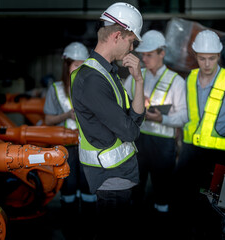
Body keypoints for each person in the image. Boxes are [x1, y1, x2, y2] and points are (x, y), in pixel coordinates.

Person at [70, 2, 145, 239]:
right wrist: (132, 123)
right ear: (116, 36)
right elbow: (131, 131)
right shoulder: (92, 79)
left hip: (119, 176)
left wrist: (139, 81)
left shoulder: (107, 73)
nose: (131, 48)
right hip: (111, 179)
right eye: (131, 41)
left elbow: (134, 118)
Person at [172, 30, 225, 239]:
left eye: (211, 58)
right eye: (202, 58)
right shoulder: (189, 79)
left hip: (220, 155)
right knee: (184, 202)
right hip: (190, 152)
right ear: (196, 56)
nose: (207, 64)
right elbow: (184, 114)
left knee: (217, 209)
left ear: (218, 56)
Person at [124, 30, 187, 215]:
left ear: (162, 53)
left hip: (163, 145)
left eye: (149, 54)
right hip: (138, 142)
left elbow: (184, 116)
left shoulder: (176, 81)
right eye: (143, 54)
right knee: (134, 189)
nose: (144, 59)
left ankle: (161, 227)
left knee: (162, 192)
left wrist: (162, 118)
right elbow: (121, 101)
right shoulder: (135, 75)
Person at [43, 42, 96, 239]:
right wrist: (67, 115)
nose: (79, 69)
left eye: (83, 65)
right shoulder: (55, 90)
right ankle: (70, 230)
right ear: (67, 65)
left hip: (88, 146)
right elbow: (48, 119)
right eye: (76, 65)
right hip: (65, 149)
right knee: (68, 188)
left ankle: (89, 229)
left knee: (89, 189)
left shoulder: (92, 87)